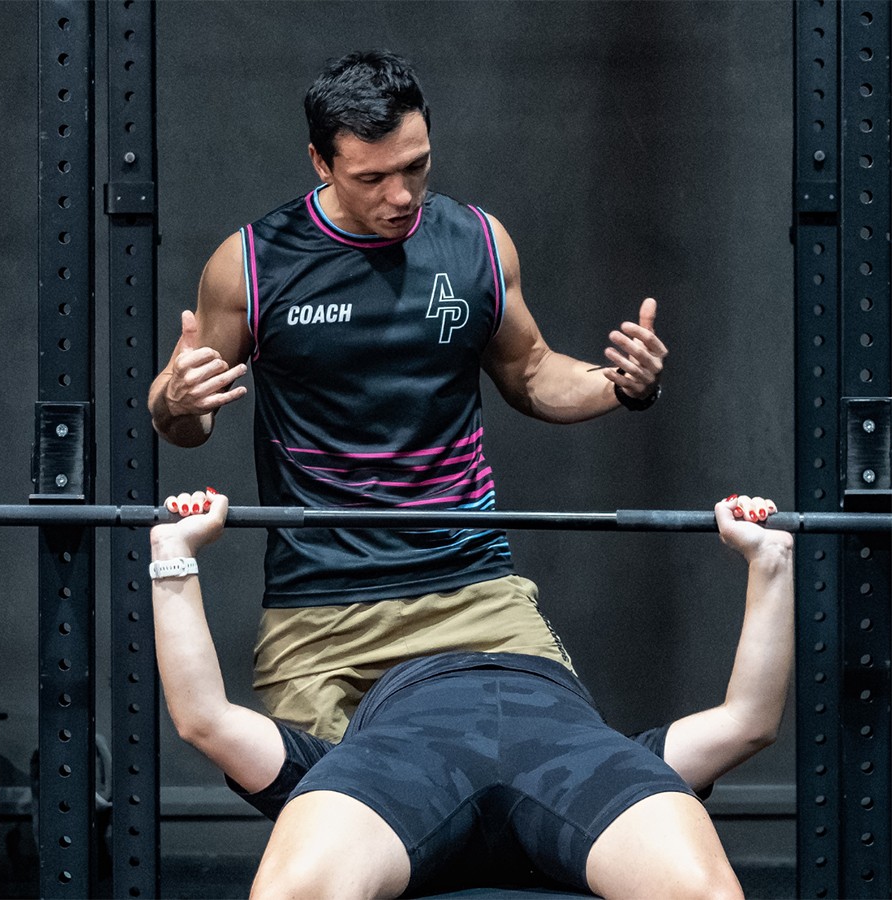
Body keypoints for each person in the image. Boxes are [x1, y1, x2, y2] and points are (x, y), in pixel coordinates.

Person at [147, 50, 669, 744]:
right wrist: (177, 400)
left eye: (415, 167)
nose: (400, 196)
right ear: (321, 163)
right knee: (321, 799)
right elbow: (184, 420)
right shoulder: (249, 265)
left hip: (471, 584)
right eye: (372, 177)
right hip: (320, 604)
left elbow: (533, 373)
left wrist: (619, 385)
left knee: (562, 764)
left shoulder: (478, 242)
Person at [150, 488, 793, 898]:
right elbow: (748, 722)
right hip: (565, 755)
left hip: (408, 762)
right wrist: (769, 563)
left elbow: (206, 719)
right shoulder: (624, 757)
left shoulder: (339, 766)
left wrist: (173, 550)